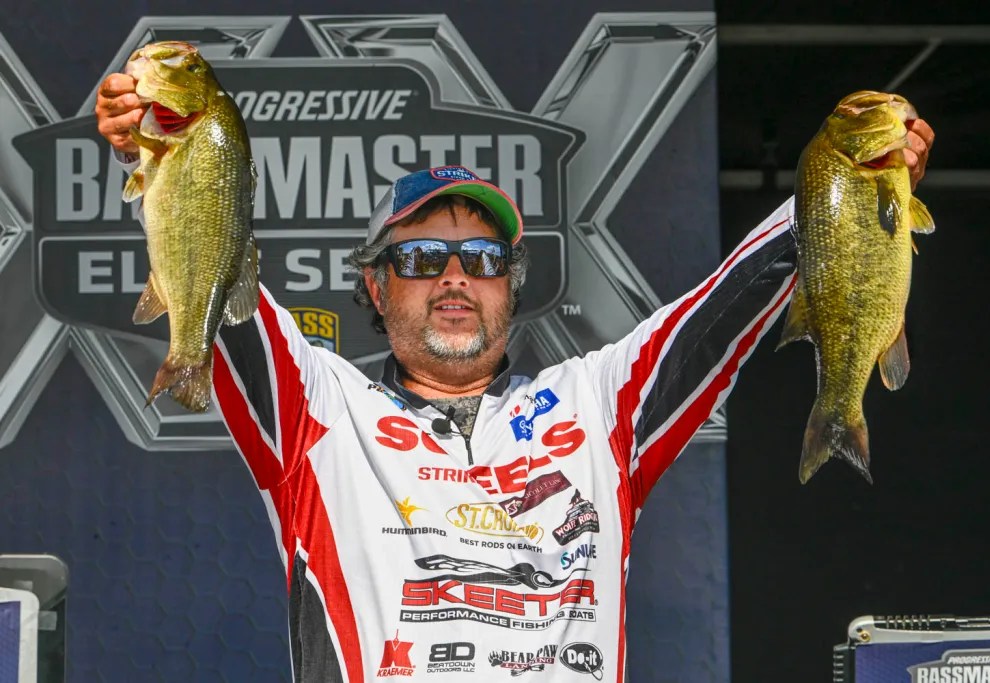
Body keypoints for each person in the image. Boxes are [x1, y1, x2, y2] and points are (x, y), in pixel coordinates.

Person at [95, 71, 934, 682]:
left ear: (512, 285)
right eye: (422, 258)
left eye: (485, 258)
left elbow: (726, 302)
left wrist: (856, 190)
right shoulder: (320, 407)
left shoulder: (595, 403)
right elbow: (213, 274)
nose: (456, 277)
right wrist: (162, 147)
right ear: (377, 287)